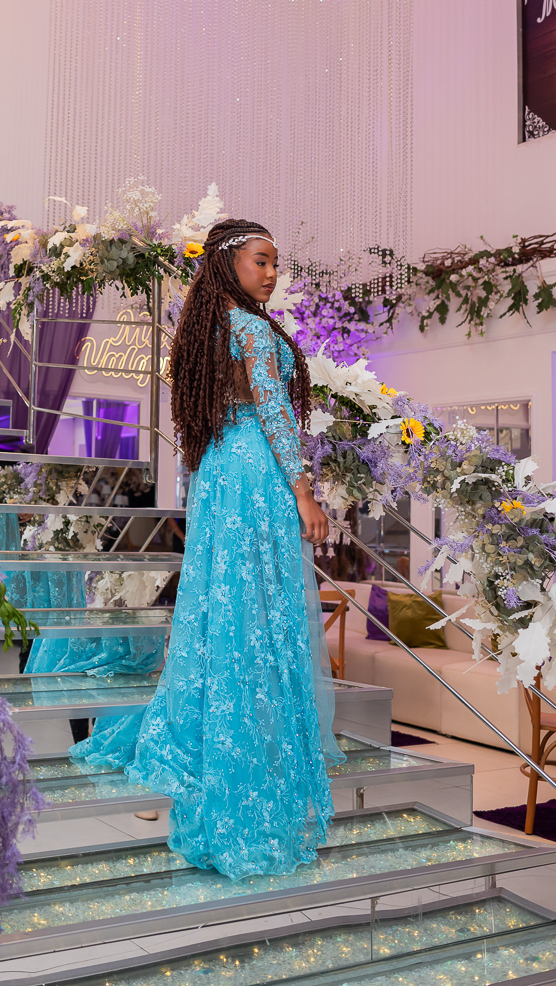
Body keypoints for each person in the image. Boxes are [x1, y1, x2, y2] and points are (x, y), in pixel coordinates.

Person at [126, 218, 343, 881]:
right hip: (255, 478)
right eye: (261, 261)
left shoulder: (205, 330)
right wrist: (304, 494)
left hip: (218, 476)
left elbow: (198, 433)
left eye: (277, 263)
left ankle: (215, 759)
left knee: (228, 618)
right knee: (262, 620)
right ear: (229, 263)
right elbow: (276, 415)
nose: (272, 273)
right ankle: (253, 772)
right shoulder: (247, 328)